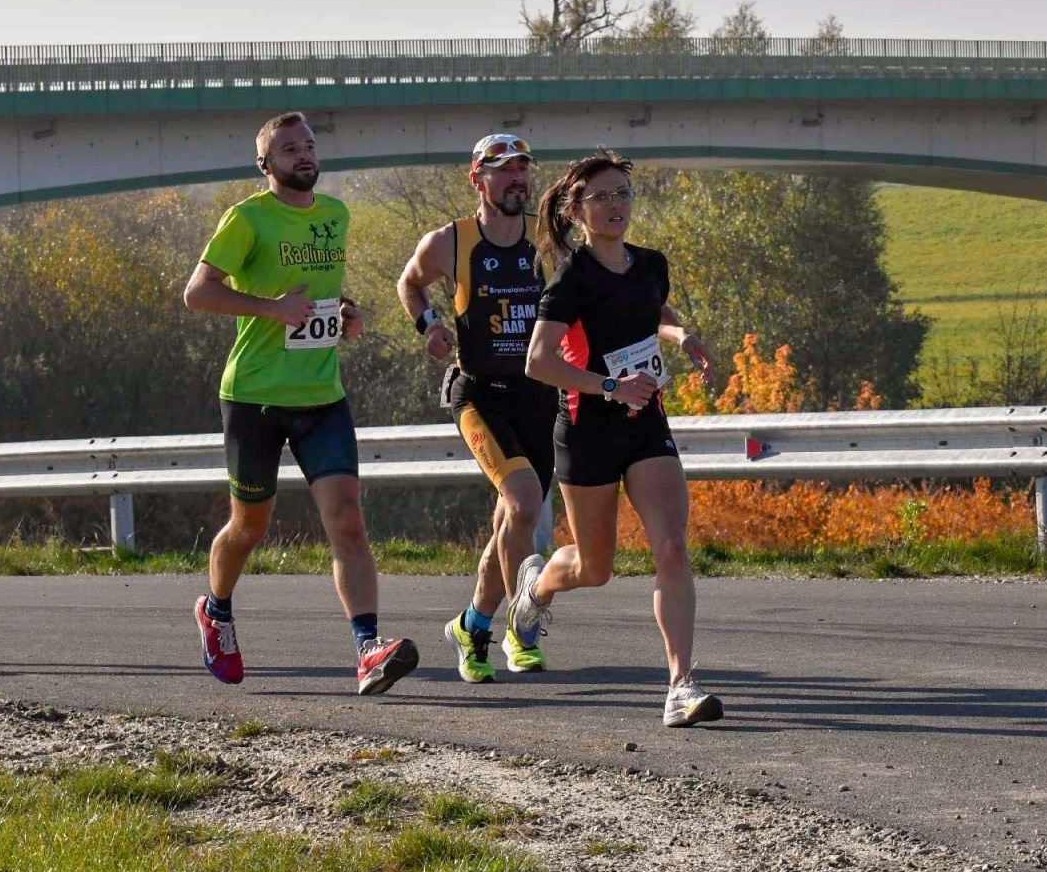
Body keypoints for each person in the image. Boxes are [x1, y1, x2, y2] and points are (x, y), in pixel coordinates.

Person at [183, 111, 417, 694]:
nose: (304, 154)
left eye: (309, 145)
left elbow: (322, 291)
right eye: (289, 148)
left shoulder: (335, 215)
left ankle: (368, 648)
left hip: (322, 395)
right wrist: (272, 308)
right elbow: (198, 292)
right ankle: (216, 610)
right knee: (249, 526)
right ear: (266, 164)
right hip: (255, 396)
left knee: (349, 523)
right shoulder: (246, 218)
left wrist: (347, 312)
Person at [515, 150, 725, 727]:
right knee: (596, 567)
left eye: (623, 195)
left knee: (672, 548)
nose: (615, 206)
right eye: (601, 197)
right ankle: (535, 587)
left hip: (646, 423)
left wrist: (683, 337)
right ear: (578, 210)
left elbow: (650, 306)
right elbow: (538, 363)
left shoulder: (651, 262)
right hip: (587, 431)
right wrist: (610, 385)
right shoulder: (570, 279)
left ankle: (681, 684)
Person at [396, 134, 556, 682]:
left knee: (511, 524)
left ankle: (471, 624)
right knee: (525, 501)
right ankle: (522, 627)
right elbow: (409, 284)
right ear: (477, 179)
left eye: (523, 169)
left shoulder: (549, 239)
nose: (518, 179)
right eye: (504, 170)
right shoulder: (451, 241)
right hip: (479, 395)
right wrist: (430, 324)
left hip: (540, 396)